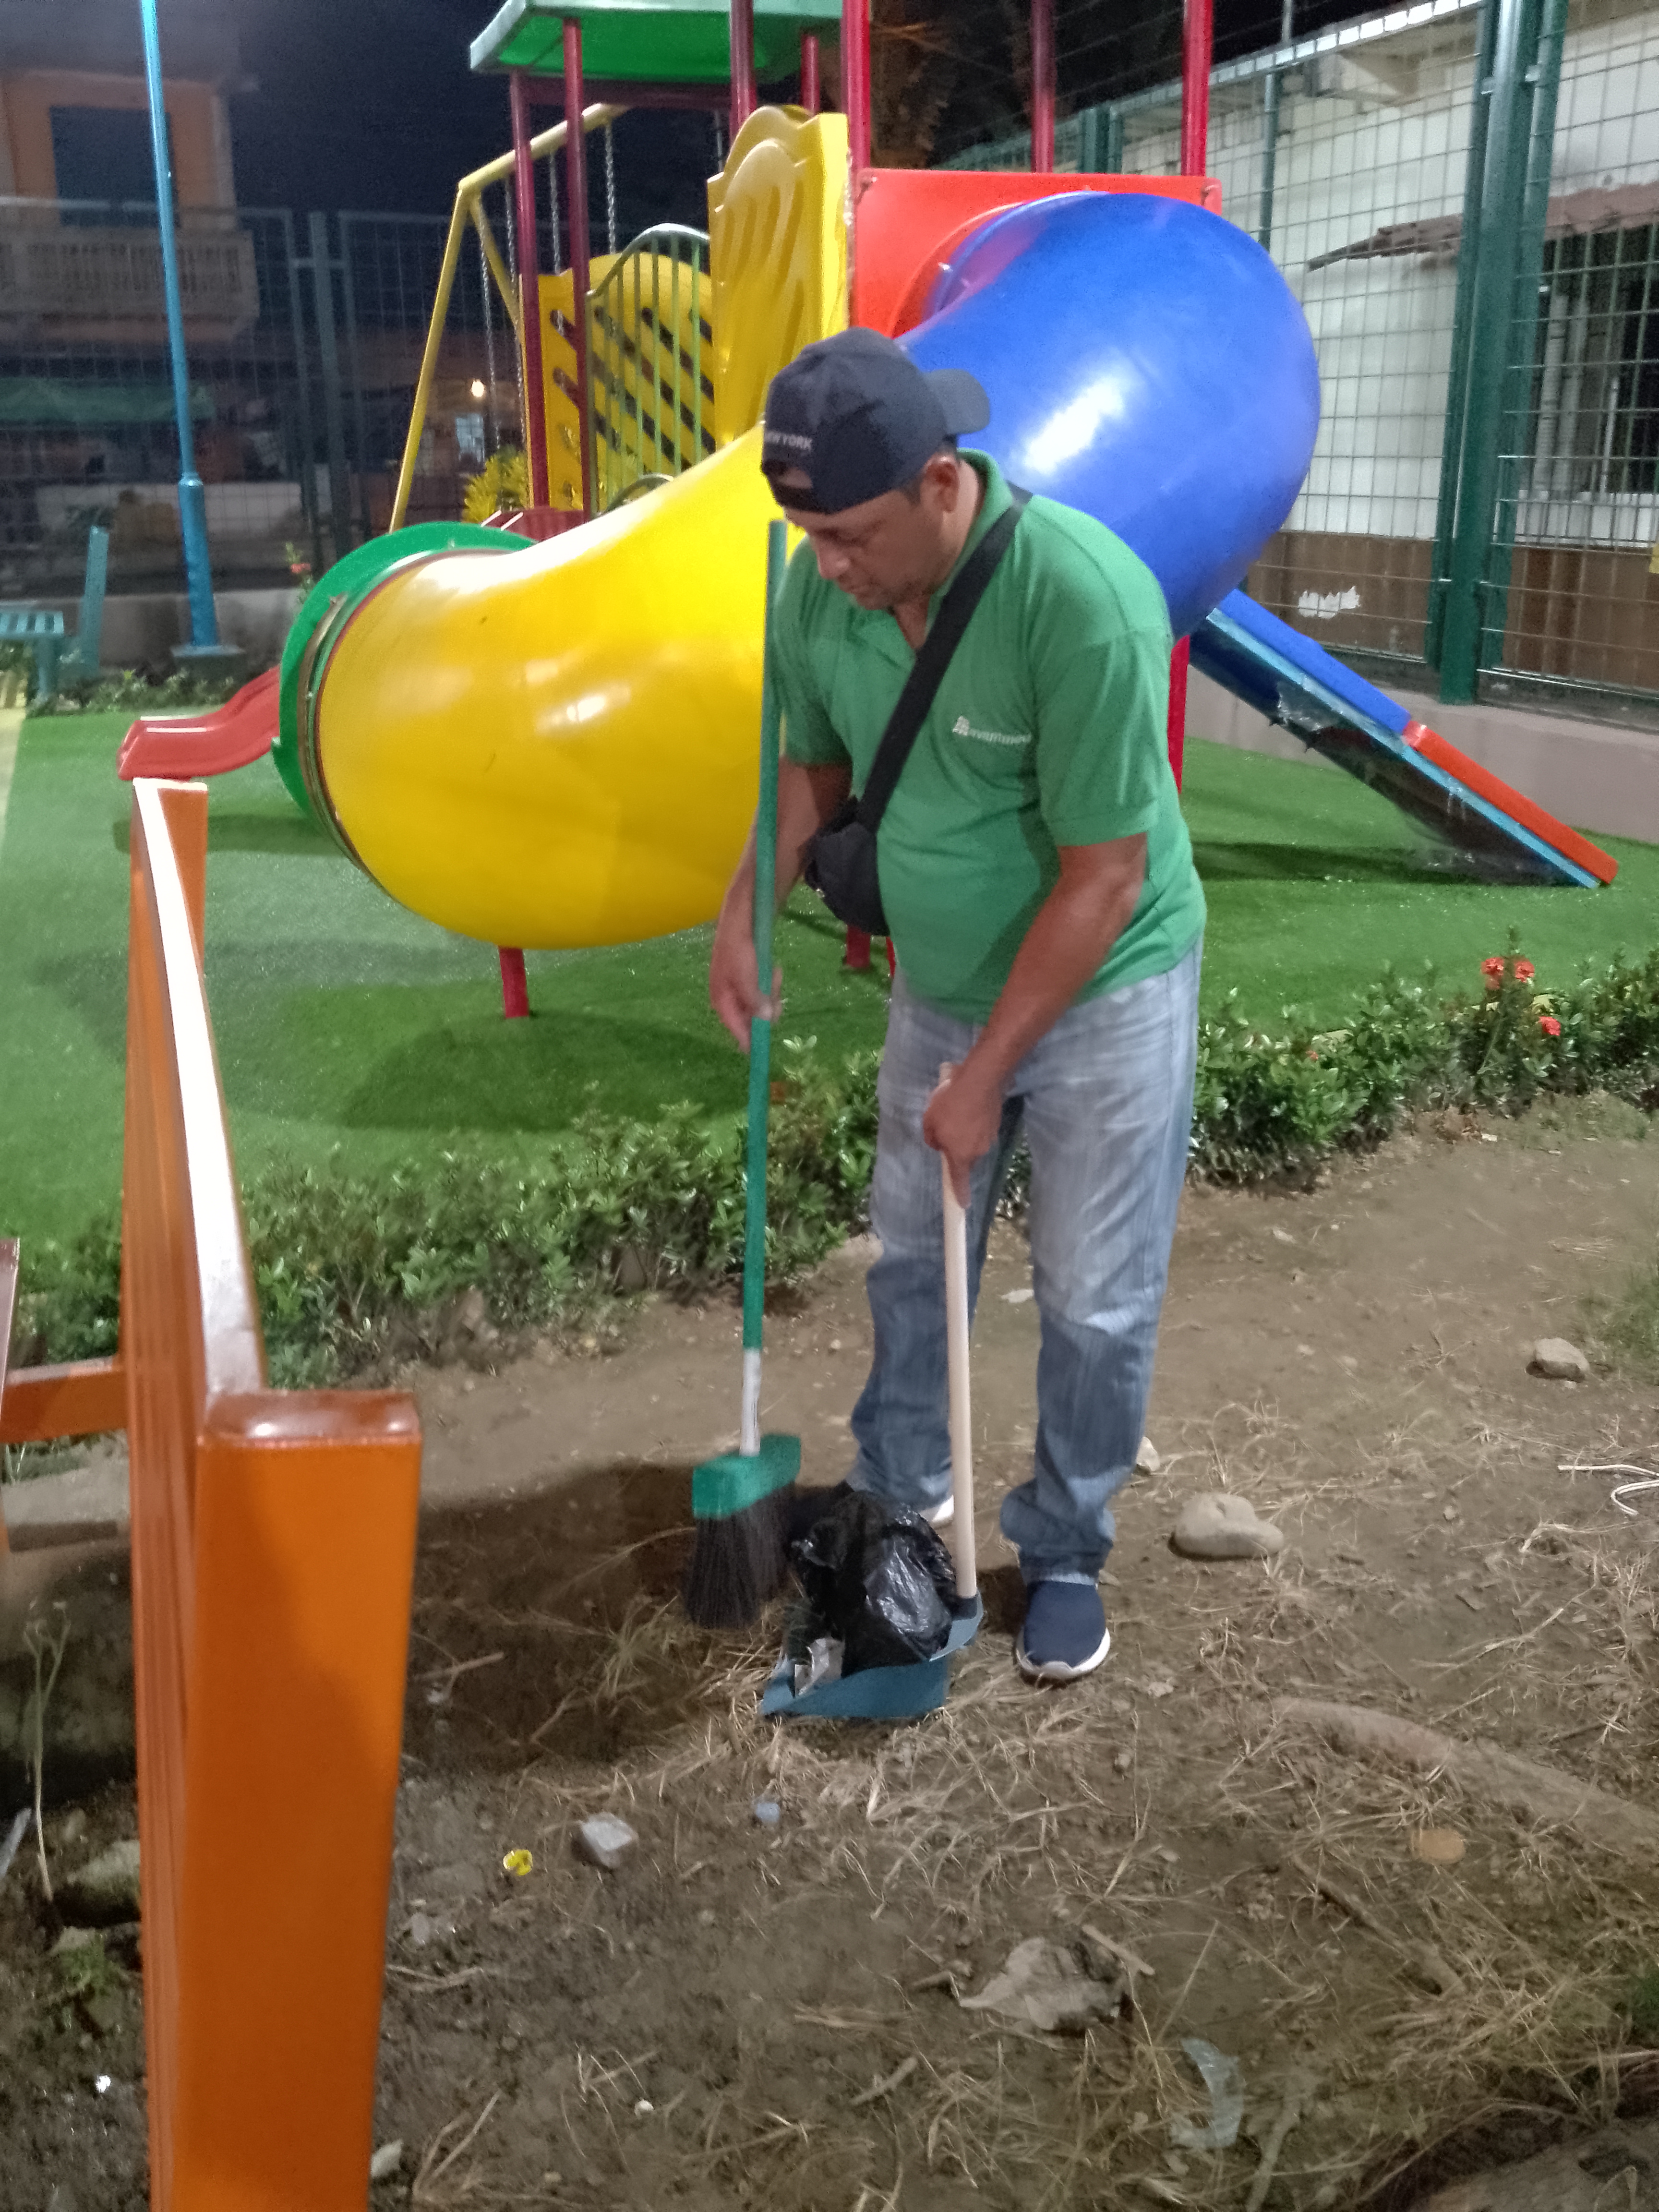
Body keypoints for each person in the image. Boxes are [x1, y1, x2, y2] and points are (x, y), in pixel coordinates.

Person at [709, 327, 1205, 1684]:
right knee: (915, 1262)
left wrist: (986, 1075)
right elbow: (813, 769)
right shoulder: (825, 592)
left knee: (1094, 1298)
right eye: (807, 536)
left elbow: (1104, 878)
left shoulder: (1082, 601)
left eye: (851, 536)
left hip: (1106, 985)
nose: (828, 567)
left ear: (941, 484)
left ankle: (1065, 1548)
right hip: (941, 982)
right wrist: (748, 907)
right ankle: (902, 1501)